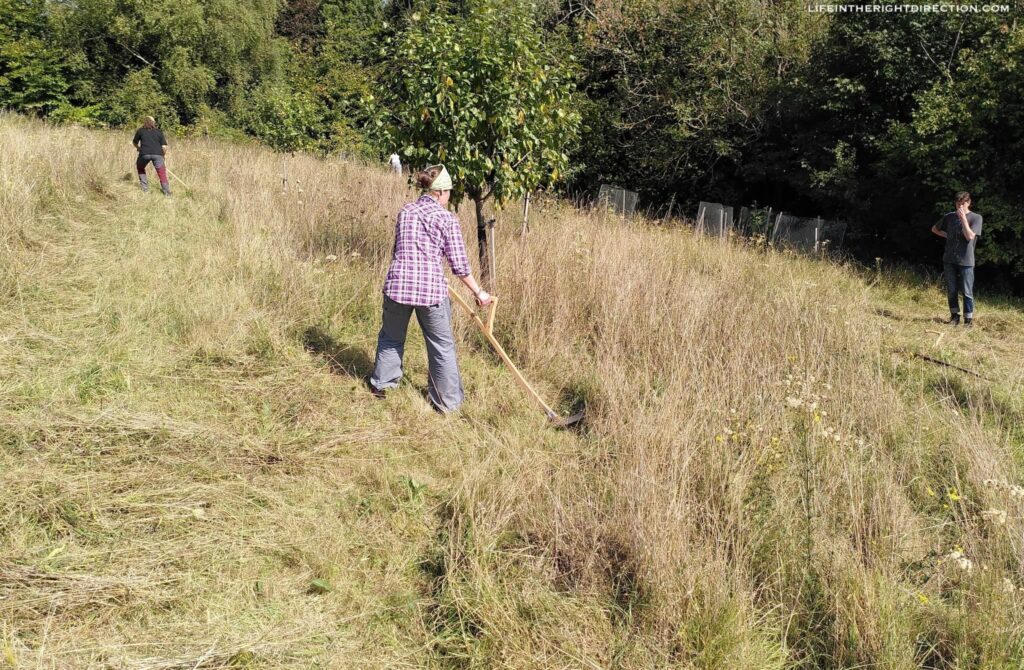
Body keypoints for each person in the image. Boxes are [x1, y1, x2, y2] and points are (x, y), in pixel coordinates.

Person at [369, 165, 492, 411]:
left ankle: (382, 385)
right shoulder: (446, 218)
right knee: (441, 346)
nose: (449, 198)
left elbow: (401, 250)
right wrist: (479, 293)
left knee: (391, 337)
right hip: (429, 292)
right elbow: (460, 265)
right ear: (441, 192)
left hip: (398, 285)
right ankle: (446, 403)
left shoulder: (406, 211)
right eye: (449, 193)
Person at [931, 191, 982, 326]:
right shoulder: (949, 217)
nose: (960, 206)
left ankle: (968, 320)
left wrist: (964, 220)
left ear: (969, 203)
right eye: (958, 203)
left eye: (963, 203)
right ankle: (954, 317)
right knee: (952, 290)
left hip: (966, 260)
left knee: (967, 291)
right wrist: (948, 236)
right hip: (949, 259)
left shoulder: (976, 218)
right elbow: (934, 229)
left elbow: (970, 236)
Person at [132, 116, 170, 196]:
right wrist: (163, 156)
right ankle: (167, 193)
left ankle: (145, 189)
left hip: (144, 154)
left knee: (140, 167)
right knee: (162, 173)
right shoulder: (159, 131)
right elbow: (164, 147)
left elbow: (134, 142)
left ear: (144, 122)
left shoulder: (140, 131)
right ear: (153, 123)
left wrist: (139, 148)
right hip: (158, 155)